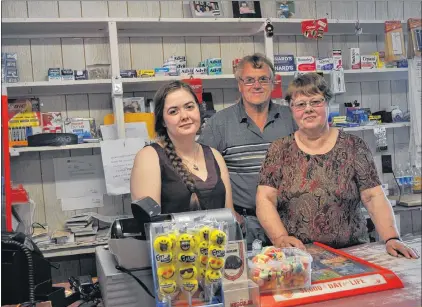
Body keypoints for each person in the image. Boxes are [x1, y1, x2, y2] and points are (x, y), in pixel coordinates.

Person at [256, 73, 419, 259]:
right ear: (291, 109)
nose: (308, 109)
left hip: (353, 253)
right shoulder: (279, 150)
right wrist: (280, 237)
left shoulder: (354, 146)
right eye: (300, 104)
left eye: (315, 102)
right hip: (298, 256)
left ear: (327, 103)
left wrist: (391, 238)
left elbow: (373, 196)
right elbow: (265, 199)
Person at [198, 53, 295, 248]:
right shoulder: (219, 123)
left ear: (273, 83)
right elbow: (203, 173)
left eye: (263, 79)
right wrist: (226, 211)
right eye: (249, 80)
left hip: (290, 220)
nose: (256, 85)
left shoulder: (291, 117)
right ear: (240, 85)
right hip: (245, 224)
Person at [130, 81, 234, 215]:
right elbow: (150, 225)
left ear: (199, 109)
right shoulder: (149, 157)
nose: (185, 116)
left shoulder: (214, 155)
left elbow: (230, 217)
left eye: (189, 107)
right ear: (162, 121)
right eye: (173, 111)